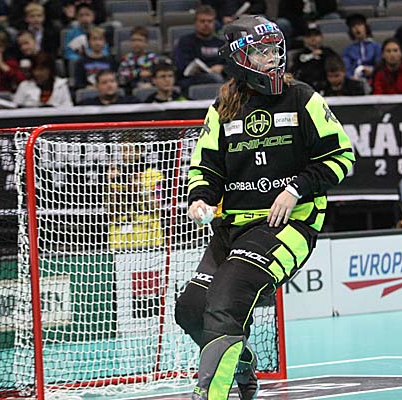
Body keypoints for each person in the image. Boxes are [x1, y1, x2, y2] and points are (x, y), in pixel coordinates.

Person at [174, 15, 355, 400]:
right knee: (190, 308)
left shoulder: (303, 98)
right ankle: (241, 362)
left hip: (289, 226)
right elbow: (206, 166)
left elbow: (341, 157)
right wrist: (200, 197)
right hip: (232, 228)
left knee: (226, 298)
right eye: (261, 52)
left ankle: (210, 394)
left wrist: (295, 189)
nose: (272, 58)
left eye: (275, 50)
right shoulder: (222, 107)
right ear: (239, 59)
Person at [107, 132, 163, 250]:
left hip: (148, 237)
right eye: (123, 150)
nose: (126, 154)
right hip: (120, 239)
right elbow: (110, 210)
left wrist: (140, 188)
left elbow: (156, 205)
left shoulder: (154, 174)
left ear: (140, 150)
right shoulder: (116, 176)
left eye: (130, 150)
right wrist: (109, 184)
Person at [173, 5, 226, 95]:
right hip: (193, 79)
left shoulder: (221, 43)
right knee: (215, 78)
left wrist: (222, 67)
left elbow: (230, 63)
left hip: (220, 75)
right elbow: (182, 65)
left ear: (214, 23)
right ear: (195, 23)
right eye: (202, 21)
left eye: (210, 21)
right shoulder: (185, 41)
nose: (206, 24)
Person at [290, 23, 337, 90]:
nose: (313, 38)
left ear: (321, 37)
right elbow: (293, 73)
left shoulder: (329, 52)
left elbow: (337, 68)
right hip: (306, 88)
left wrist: (323, 54)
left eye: (316, 35)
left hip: (327, 87)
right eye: (309, 36)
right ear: (304, 39)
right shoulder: (299, 56)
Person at [117, 26, 164, 93]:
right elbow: (121, 78)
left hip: (153, 90)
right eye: (133, 40)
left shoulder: (153, 58)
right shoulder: (126, 59)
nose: (136, 43)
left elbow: (161, 76)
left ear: (146, 42)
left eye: (140, 40)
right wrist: (138, 73)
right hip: (131, 92)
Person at [342, 14, 381, 81]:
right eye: (353, 26)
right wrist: (350, 77)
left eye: (359, 25)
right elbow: (346, 67)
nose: (357, 28)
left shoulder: (376, 47)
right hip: (354, 80)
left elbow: (380, 65)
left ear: (365, 27)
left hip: (373, 79)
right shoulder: (348, 50)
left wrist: (372, 70)